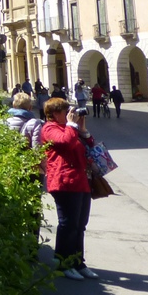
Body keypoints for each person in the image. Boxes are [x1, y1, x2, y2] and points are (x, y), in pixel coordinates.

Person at [41, 98, 98, 279]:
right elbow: (65, 142)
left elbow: (90, 146)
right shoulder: (49, 128)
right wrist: (72, 126)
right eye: (65, 112)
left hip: (81, 181)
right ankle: (63, 263)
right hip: (64, 182)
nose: (69, 115)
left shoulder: (70, 128)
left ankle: (78, 262)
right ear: (55, 113)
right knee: (68, 224)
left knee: (80, 225)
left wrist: (83, 130)